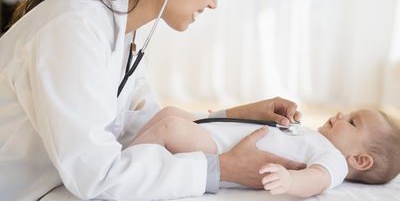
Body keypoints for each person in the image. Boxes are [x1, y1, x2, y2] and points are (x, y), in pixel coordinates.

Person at [0, 0, 305, 200]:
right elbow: (97, 176)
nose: (214, 3)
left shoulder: (118, 28)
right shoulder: (72, 29)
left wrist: (236, 115)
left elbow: (151, 126)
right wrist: (221, 170)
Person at [129, 106, 400, 198]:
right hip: (215, 132)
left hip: (219, 148)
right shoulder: (315, 137)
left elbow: (319, 179)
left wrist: (291, 181)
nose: (342, 114)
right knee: (171, 113)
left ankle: (122, 163)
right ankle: (129, 150)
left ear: (360, 160)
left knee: (170, 127)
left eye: (352, 122)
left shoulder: (335, 161)